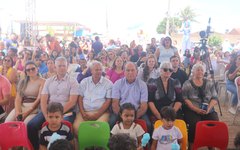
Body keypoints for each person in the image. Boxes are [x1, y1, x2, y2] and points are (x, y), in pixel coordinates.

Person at [27, 56, 79, 150]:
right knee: (31, 126)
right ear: (55, 67)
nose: (62, 68)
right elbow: (43, 100)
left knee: (62, 127)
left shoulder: (73, 81)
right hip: (48, 111)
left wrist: (57, 114)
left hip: (66, 111)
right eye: (59, 66)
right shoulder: (48, 81)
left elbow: (72, 102)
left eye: (64, 66)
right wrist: (47, 115)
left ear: (67, 67)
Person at [182, 63, 219, 149]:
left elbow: (214, 97)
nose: (200, 71)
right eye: (198, 70)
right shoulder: (187, 83)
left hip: (208, 109)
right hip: (192, 109)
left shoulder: (209, 83)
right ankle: (192, 145)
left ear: (204, 72)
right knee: (194, 124)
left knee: (214, 121)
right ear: (193, 71)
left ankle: (211, 144)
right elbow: (185, 98)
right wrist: (195, 109)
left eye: (202, 70)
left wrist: (209, 109)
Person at [73, 61, 113, 136]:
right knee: (76, 128)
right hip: (84, 112)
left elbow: (108, 101)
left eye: (100, 70)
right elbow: (80, 98)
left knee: (98, 128)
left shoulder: (108, 83)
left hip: (101, 113)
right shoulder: (84, 82)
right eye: (96, 70)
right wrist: (83, 113)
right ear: (91, 71)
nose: (99, 71)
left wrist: (97, 114)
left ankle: (97, 147)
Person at [109, 62, 150, 132]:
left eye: (133, 70)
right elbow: (115, 104)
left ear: (137, 72)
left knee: (148, 124)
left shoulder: (142, 85)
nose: (130, 72)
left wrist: (132, 117)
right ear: (124, 72)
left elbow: (143, 106)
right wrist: (123, 117)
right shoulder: (117, 83)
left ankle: (145, 142)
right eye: (128, 70)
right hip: (121, 112)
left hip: (137, 112)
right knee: (111, 123)